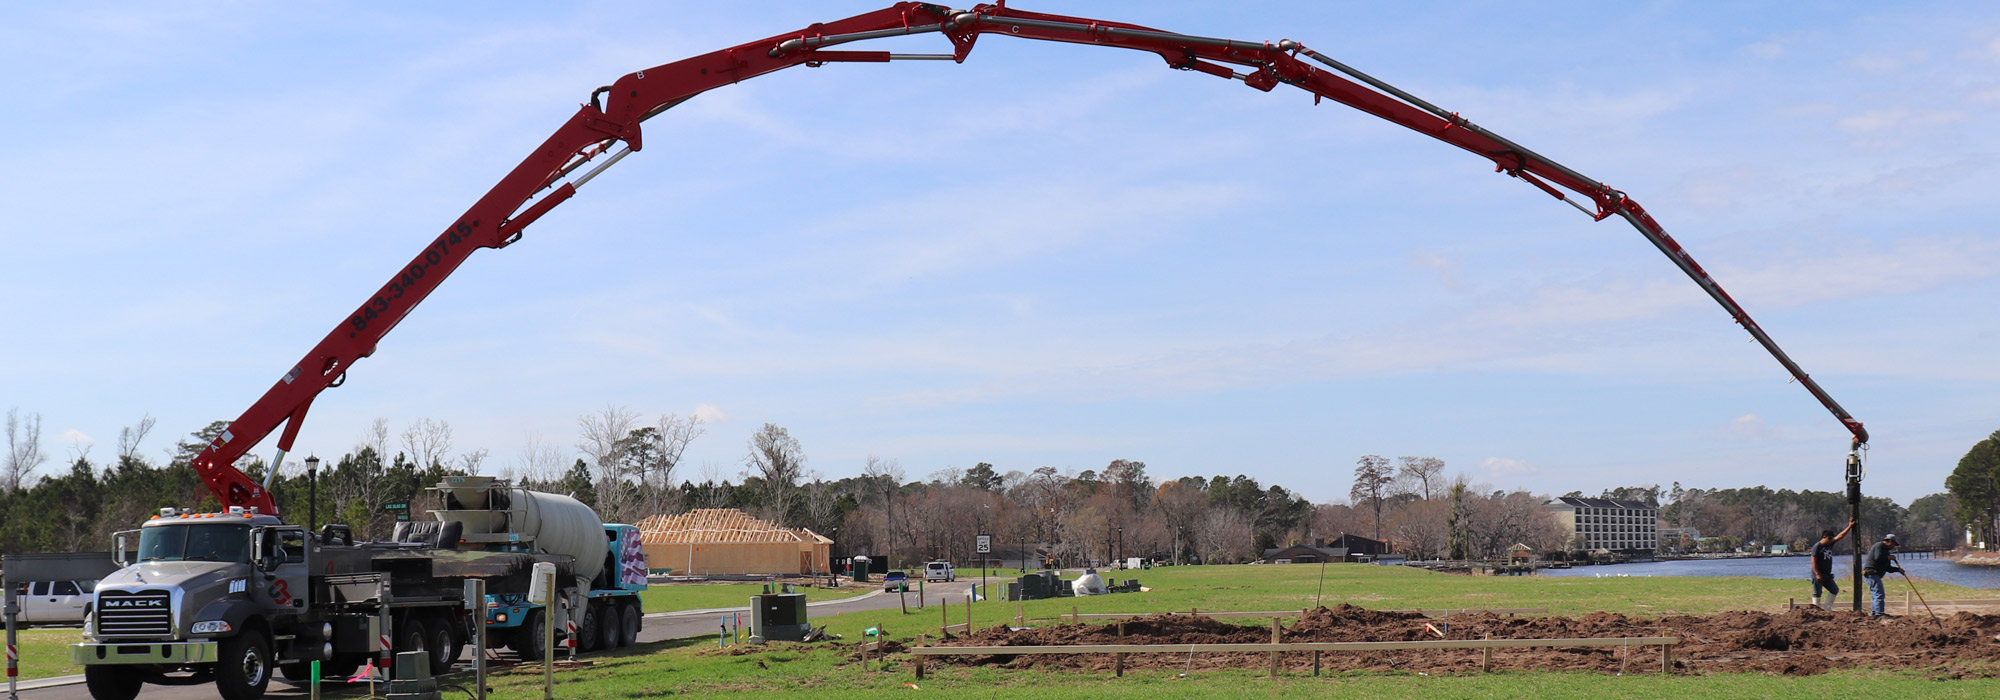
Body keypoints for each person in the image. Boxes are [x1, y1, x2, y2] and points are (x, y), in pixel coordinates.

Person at [1808, 517, 1855, 610]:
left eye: (1831, 538)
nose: (1831, 540)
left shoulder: (1829, 544)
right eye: (1829, 538)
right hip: (1818, 574)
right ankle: (1816, 610)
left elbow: (1840, 536)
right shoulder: (1817, 547)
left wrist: (1849, 526)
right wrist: (1817, 574)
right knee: (1817, 592)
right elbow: (1813, 561)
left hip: (1827, 574)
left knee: (1834, 590)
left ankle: (1827, 608)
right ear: (1824, 537)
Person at [1862, 533, 1903, 617]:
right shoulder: (1879, 546)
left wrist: (1898, 570)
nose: (1893, 547)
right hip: (1871, 573)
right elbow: (1878, 557)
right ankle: (1879, 614)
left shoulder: (1886, 552)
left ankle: (1875, 613)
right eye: (1894, 544)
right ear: (1890, 541)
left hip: (1875, 574)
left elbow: (1887, 568)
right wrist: (1889, 557)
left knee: (1876, 594)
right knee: (1879, 594)